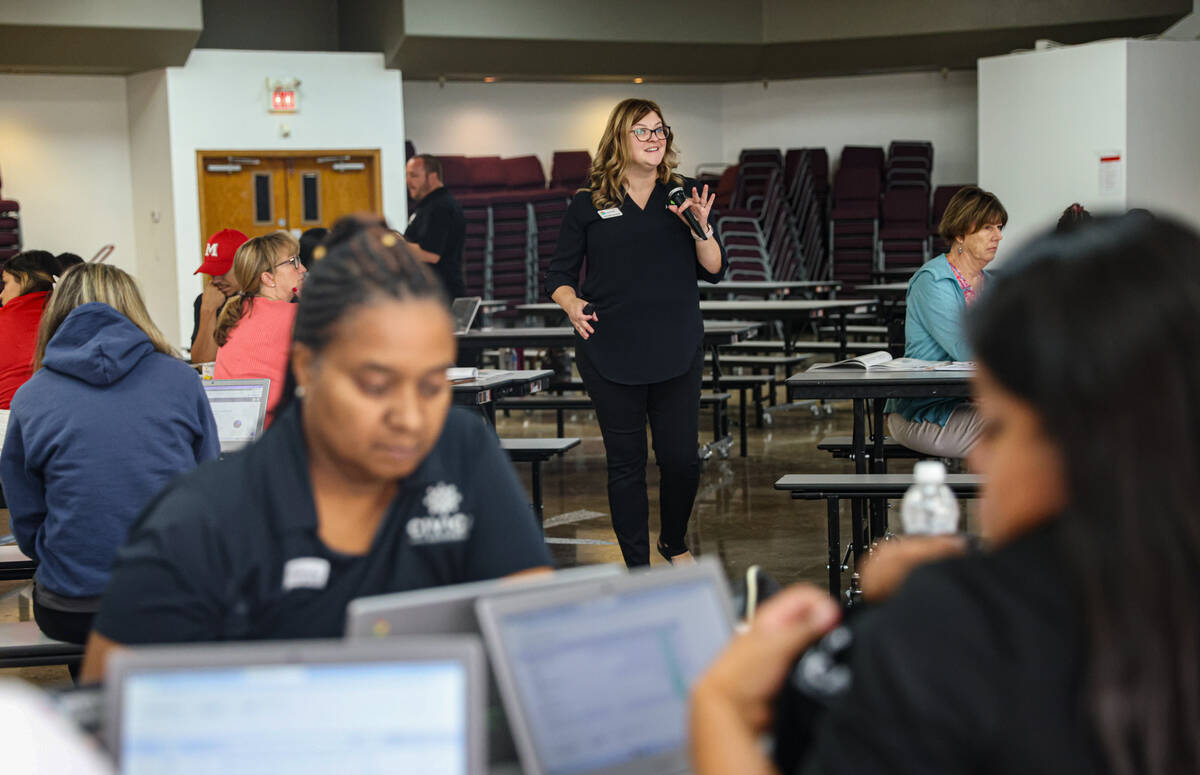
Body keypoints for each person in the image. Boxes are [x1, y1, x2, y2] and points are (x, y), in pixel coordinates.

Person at [691, 214, 1200, 775]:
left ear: (1089, 440)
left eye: (1000, 427)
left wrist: (719, 706)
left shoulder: (955, 638)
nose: (979, 455)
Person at [81, 219, 552, 682]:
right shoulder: (202, 517)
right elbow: (111, 710)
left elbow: (536, 635)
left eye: (430, 385)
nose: (409, 416)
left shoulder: (461, 450)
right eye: (376, 383)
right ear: (307, 368)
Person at [544, 98, 727, 567]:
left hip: (676, 346)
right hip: (610, 349)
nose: (654, 138)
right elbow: (558, 275)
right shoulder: (589, 202)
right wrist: (572, 304)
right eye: (642, 131)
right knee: (626, 464)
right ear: (620, 139)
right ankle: (637, 564)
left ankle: (674, 540)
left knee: (681, 460)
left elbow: (714, 270)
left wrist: (701, 229)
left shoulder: (681, 193)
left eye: (659, 130)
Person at [0, 264, 218, 652]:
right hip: (170, 597)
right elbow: (210, 494)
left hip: (71, 604)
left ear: (56, 313)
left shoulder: (32, 396)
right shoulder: (182, 381)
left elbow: (27, 520)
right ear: (135, 310)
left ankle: (96, 698)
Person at [885, 185, 1006, 459]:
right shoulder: (933, 281)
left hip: (972, 405)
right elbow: (969, 349)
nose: (998, 236)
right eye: (988, 228)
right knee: (1031, 433)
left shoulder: (993, 284)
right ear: (961, 232)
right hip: (925, 412)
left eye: (999, 227)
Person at [214, 231, 305, 426]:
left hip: (232, 435)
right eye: (293, 262)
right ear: (268, 278)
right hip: (278, 436)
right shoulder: (296, 316)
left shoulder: (237, 312)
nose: (303, 268)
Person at [403, 153, 467, 299]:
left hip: (442, 296)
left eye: (414, 176)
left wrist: (394, 245)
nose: (408, 181)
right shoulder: (426, 206)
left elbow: (431, 254)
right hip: (431, 294)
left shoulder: (440, 207)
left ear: (432, 177)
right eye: (407, 175)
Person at [0, 252, 55, 409]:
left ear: (24, 279)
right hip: (62, 419)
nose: (2, 294)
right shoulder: (71, 316)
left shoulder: (3, 319)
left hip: (8, 417)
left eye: (6, 283)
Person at [190, 229, 249, 363]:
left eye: (222, 272)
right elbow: (202, 365)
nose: (216, 279)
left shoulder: (268, 298)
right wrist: (208, 311)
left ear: (245, 264)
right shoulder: (207, 300)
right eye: (212, 273)